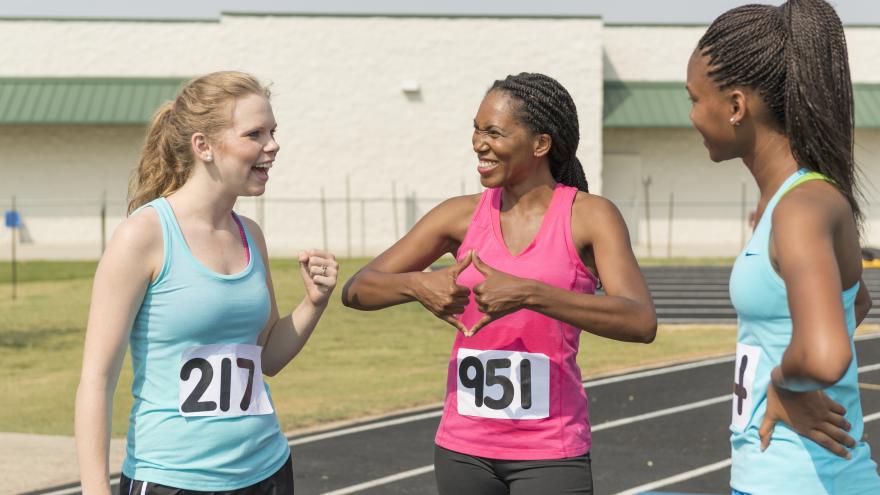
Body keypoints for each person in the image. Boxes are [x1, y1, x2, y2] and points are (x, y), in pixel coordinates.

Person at [342, 72, 656, 495]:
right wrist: (419, 285)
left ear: (540, 144)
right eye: (475, 128)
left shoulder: (590, 216)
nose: (478, 143)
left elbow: (640, 321)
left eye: (493, 132)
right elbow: (358, 289)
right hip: (462, 450)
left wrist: (529, 292)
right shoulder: (458, 215)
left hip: (549, 453)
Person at [75, 71, 338, 494]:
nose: (272, 145)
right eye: (254, 133)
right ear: (204, 146)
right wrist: (94, 489)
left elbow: (266, 356)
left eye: (273, 131)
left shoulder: (250, 234)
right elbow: (96, 379)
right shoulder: (143, 236)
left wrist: (314, 303)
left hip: (266, 470)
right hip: (171, 479)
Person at [686, 1, 880, 493]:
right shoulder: (790, 200)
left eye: (693, 98)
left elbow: (822, 354)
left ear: (735, 106)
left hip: (800, 481)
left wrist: (783, 381)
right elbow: (855, 300)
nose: (690, 115)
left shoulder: (799, 207)